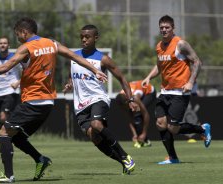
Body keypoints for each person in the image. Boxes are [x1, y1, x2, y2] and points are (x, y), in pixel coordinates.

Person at [0, 17, 107, 183]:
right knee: (16, 137)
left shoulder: (27, 47)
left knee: (3, 133)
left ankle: (8, 176)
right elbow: (73, 56)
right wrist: (94, 69)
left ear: (24, 32)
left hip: (33, 101)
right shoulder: (51, 43)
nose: (17, 39)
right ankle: (40, 160)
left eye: (18, 35)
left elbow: (5, 67)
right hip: (47, 102)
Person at [63, 24, 138, 175]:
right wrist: (70, 83)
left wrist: (130, 100)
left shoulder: (103, 59)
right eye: (82, 37)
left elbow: (122, 78)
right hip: (80, 104)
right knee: (94, 137)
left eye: (87, 37)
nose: (84, 39)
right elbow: (72, 74)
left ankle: (125, 155)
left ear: (95, 38)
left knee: (96, 124)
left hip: (98, 98)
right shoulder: (74, 56)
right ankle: (123, 162)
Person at [141, 15, 211, 164]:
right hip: (165, 92)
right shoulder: (159, 46)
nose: (164, 30)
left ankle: (202, 129)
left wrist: (191, 82)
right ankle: (172, 158)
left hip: (180, 92)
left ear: (173, 28)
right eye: (161, 28)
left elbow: (197, 61)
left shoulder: (181, 44)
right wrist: (148, 77)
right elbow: (159, 66)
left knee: (173, 128)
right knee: (160, 124)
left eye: (167, 27)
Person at [0, 36, 21, 150]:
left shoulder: (14, 58)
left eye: (5, 43)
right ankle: (11, 137)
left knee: (3, 117)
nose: (2, 45)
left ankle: (6, 138)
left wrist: (18, 82)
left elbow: (26, 71)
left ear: (8, 45)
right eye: (0, 43)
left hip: (11, 91)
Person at [116, 80, 156, 148]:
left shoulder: (135, 97)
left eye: (125, 107)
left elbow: (146, 115)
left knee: (138, 114)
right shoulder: (121, 99)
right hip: (137, 91)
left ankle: (145, 140)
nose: (124, 109)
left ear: (127, 102)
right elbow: (129, 117)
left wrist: (144, 133)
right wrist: (134, 134)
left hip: (149, 92)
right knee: (134, 114)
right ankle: (139, 138)